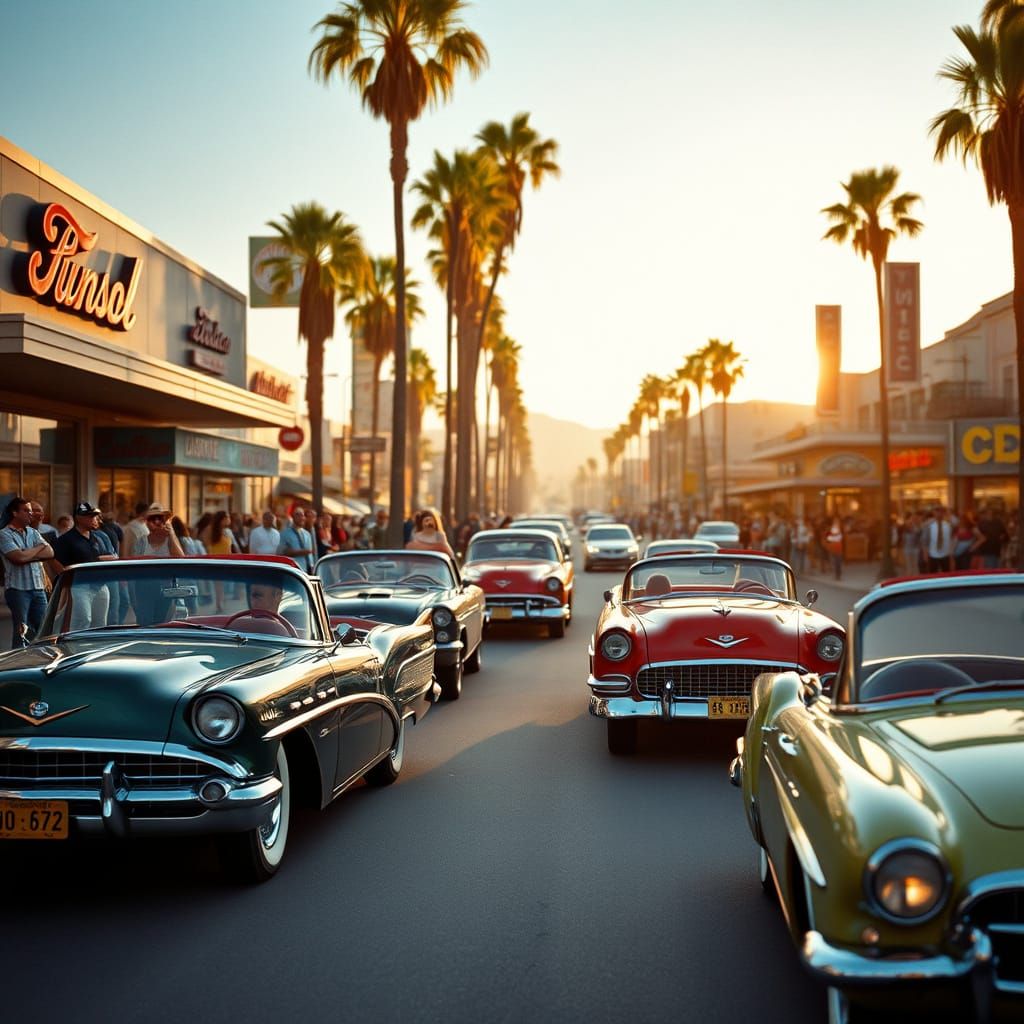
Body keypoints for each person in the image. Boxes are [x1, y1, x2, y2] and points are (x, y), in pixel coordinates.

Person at [51, 501, 118, 631]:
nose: (94, 519)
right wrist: (66, 578)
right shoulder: (67, 539)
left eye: (94, 516)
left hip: (100, 584)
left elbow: (111, 556)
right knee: (83, 620)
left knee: (100, 624)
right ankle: (76, 644)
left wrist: (101, 559)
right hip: (80, 585)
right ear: (79, 518)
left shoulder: (98, 537)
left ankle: (94, 644)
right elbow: (53, 559)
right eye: (90, 516)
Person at [0, 495, 54, 647]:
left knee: (43, 629)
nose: (31, 514)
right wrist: (39, 548)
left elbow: (50, 553)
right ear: (15, 513)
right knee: (22, 630)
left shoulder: (33, 532)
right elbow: (18, 558)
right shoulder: (4, 534)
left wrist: (27, 554)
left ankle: (41, 657)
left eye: (31, 510)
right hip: (18, 589)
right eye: (26, 510)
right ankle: (19, 659)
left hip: (38, 588)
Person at [278, 508, 315, 572]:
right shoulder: (285, 534)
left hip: (307, 570)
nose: (301, 518)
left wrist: (313, 565)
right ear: (293, 517)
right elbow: (281, 553)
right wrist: (299, 552)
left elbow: (310, 553)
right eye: (298, 515)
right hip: (293, 570)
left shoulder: (307, 534)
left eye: (302, 515)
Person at [922, 506, 954, 573]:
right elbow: (925, 541)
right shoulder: (929, 525)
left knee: (946, 573)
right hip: (933, 554)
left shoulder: (948, 525)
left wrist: (951, 555)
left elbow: (951, 540)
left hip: (945, 554)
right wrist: (925, 554)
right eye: (937, 512)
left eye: (941, 512)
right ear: (933, 513)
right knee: (933, 574)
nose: (939, 514)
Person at [824, 516, 844, 581]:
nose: (836, 522)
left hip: (839, 547)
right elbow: (828, 538)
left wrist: (834, 537)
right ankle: (836, 575)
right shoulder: (831, 529)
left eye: (837, 521)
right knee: (835, 562)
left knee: (838, 562)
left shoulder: (840, 528)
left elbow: (840, 538)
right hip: (833, 547)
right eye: (835, 521)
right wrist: (834, 537)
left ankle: (838, 575)